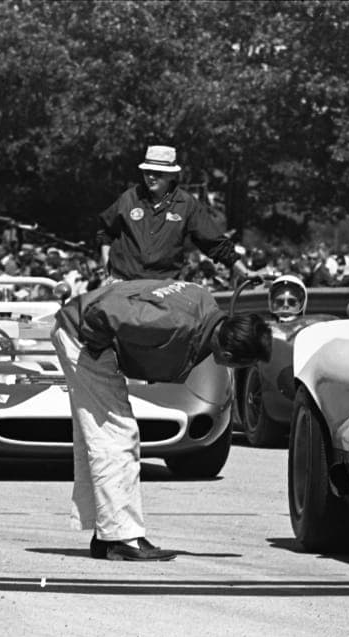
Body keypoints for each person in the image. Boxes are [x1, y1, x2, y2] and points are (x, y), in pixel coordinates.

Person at [51, 278, 272, 561]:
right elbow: (102, 313)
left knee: (99, 436)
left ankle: (108, 535)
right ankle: (121, 539)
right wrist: (98, 352)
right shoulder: (175, 322)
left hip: (79, 328)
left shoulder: (203, 302)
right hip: (83, 335)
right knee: (118, 435)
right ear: (227, 355)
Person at [96, 145, 259, 284]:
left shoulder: (186, 204)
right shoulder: (128, 199)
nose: (151, 177)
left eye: (157, 173)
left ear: (171, 175)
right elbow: (105, 232)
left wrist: (244, 272)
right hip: (124, 284)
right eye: (147, 172)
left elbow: (214, 243)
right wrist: (107, 270)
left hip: (163, 288)